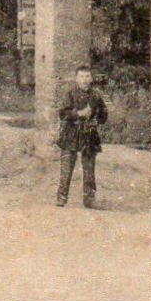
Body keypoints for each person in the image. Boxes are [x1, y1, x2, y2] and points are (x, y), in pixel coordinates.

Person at [55, 65, 108, 208]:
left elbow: (104, 113)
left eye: (87, 76)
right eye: (81, 76)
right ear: (76, 78)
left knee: (89, 167)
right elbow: (62, 113)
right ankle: (61, 197)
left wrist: (98, 120)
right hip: (71, 133)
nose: (85, 80)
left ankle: (89, 199)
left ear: (91, 78)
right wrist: (78, 114)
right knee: (67, 167)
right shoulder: (70, 93)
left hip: (88, 134)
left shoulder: (95, 95)